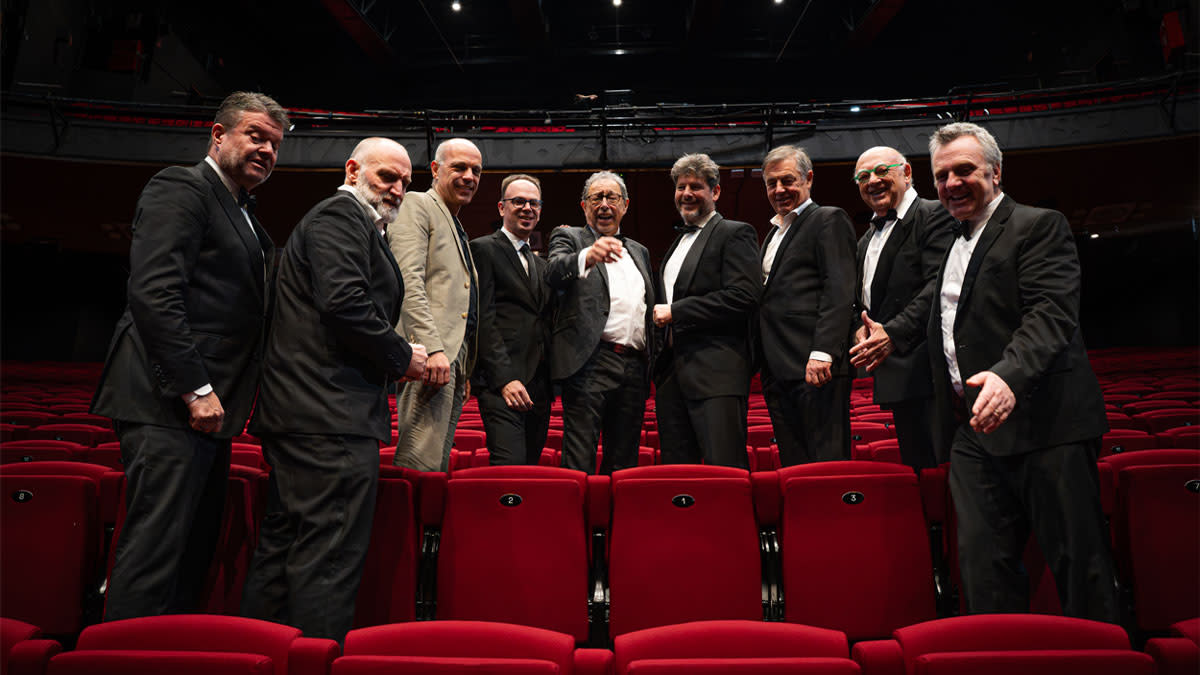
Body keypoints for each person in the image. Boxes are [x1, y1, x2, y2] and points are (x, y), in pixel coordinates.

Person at [90, 91, 288, 620]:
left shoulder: (243, 210)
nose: (267, 150)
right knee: (154, 554)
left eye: (275, 144)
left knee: (189, 554)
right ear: (218, 135)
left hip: (205, 411)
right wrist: (195, 388)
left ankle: (167, 650)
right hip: (169, 402)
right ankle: (122, 654)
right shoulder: (182, 187)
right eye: (255, 136)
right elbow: (155, 293)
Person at [927, 122, 1116, 620]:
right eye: (942, 175)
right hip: (974, 430)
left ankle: (1105, 654)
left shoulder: (1038, 225)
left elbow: (1050, 314)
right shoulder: (951, 241)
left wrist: (1009, 375)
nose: (951, 183)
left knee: (1080, 568)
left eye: (964, 170)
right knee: (982, 571)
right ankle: (1001, 652)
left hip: (1047, 423)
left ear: (996, 171)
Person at [240, 137, 426, 641]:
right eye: (387, 176)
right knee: (329, 559)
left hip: (309, 415)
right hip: (328, 416)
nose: (397, 189)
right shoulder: (340, 216)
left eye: (405, 182)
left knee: (283, 551)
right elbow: (345, 304)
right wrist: (402, 355)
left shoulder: (349, 222)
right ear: (352, 170)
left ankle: (261, 655)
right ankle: (313, 658)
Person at [848, 146, 955, 470]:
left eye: (882, 171)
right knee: (919, 469)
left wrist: (892, 334)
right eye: (863, 176)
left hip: (930, 371)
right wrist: (859, 327)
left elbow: (938, 287)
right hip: (899, 373)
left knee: (944, 471)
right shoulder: (866, 240)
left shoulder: (934, 214)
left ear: (906, 173)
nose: (872, 181)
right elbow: (861, 300)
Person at [652, 153, 759, 467]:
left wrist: (677, 311)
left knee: (724, 469)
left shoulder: (735, 232)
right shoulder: (677, 243)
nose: (686, 193)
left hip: (717, 375)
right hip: (672, 376)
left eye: (696, 186)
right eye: (681, 187)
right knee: (679, 473)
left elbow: (744, 296)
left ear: (716, 191)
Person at [547, 171, 654, 474]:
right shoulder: (570, 238)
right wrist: (588, 255)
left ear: (625, 205)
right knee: (579, 459)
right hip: (590, 361)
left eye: (612, 198)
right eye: (597, 198)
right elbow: (553, 272)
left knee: (624, 461)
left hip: (634, 366)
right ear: (584, 206)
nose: (604, 204)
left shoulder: (640, 251)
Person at [756, 145, 856, 465]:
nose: (779, 190)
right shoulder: (773, 233)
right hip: (778, 368)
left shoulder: (827, 219)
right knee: (795, 465)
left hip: (816, 365)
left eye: (788, 180)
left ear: (808, 178)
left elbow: (839, 289)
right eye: (771, 183)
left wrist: (823, 351)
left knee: (826, 464)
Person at [389, 138, 482, 471]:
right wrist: (431, 349)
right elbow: (407, 282)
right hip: (429, 355)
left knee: (436, 462)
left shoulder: (454, 222)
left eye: (476, 170)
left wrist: (462, 365)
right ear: (435, 170)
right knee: (419, 461)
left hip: (451, 357)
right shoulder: (416, 204)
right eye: (459, 167)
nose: (469, 176)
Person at [470, 174, 553, 465]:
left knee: (531, 470)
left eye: (534, 203)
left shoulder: (540, 263)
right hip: (503, 384)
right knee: (509, 469)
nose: (527, 208)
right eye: (518, 201)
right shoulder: (483, 249)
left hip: (539, 386)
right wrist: (505, 379)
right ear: (501, 207)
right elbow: (484, 319)